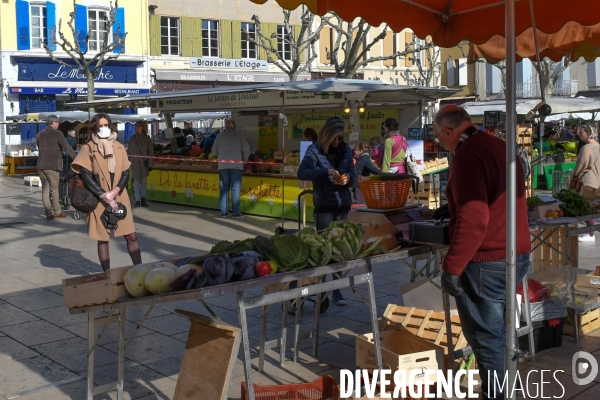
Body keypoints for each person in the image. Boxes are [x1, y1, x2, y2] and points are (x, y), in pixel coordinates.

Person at [433, 105, 531, 400]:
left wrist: (452, 266)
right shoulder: (498, 146)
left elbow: (475, 218)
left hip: (488, 261)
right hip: (517, 252)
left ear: (449, 132)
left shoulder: (467, 156)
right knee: (502, 337)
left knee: (488, 342)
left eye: (438, 137)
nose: (438, 143)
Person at [297, 116, 356, 306]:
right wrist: (325, 172)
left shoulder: (346, 150)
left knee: (339, 250)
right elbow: (302, 172)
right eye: (335, 138)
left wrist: (348, 178)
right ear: (327, 136)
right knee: (323, 249)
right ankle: (320, 289)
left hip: (342, 204)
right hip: (324, 205)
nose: (338, 142)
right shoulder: (314, 150)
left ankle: (337, 290)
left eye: (340, 137)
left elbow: (354, 175)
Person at [71, 113, 141, 272]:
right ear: (95, 128)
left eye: (106, 125)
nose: (103, 129)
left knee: (131, 235)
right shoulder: (88, 148)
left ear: (110, 126)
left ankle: (140, 269)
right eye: (100, 126)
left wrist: (115, 191)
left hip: (120, 196)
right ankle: (107, 274)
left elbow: (125, 172)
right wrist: (104, 195)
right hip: (98, 199)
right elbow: (85, 175)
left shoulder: (119, 146)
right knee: (103, 239)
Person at [36, 115, 77, 220]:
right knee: (54, 189)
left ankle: (48, 213)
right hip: (52, 165)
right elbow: (67, 148)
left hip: (41, 165)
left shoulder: (40, 134)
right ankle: (57, 211)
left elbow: (39, 147)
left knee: (45, 189)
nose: (58, 124)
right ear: (53, 122)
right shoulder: (58, 134)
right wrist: (77, 159)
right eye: (58, 122)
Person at [212, 120, 250, 217]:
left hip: (223, 166)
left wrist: (222, 155)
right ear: (235, 126)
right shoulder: (240, 135)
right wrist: (244, 160)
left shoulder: (220, 136)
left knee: (224, 189)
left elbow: (214, 151)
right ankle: (235, 213)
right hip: (237, 166)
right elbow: (246, 149)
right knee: (235, 189)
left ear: (226, 126)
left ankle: (224, 212)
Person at [572, 124, 600, 242]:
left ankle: (590, 233)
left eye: (581, 132)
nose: (579, 134)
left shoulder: (586, 148)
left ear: (589, 133)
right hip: (597, 179)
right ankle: (590, 232)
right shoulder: (598, 146)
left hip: (588, 179)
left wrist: (574, 176)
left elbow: (581, 164)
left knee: (587, 206)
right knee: (595, 205)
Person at [128, 120, 155, 208]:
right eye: (136, 126)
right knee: (136, 182)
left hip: (144, 163)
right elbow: (129, 151)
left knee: (143, 182)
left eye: (138, 126)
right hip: (135, 163)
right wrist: (128, 162)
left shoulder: (147, 138)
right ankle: (137, 200)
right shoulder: (132, 138)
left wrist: (150, 164)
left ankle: (143, 199)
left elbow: (151, 152)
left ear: (143, 127)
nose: (137, 127)